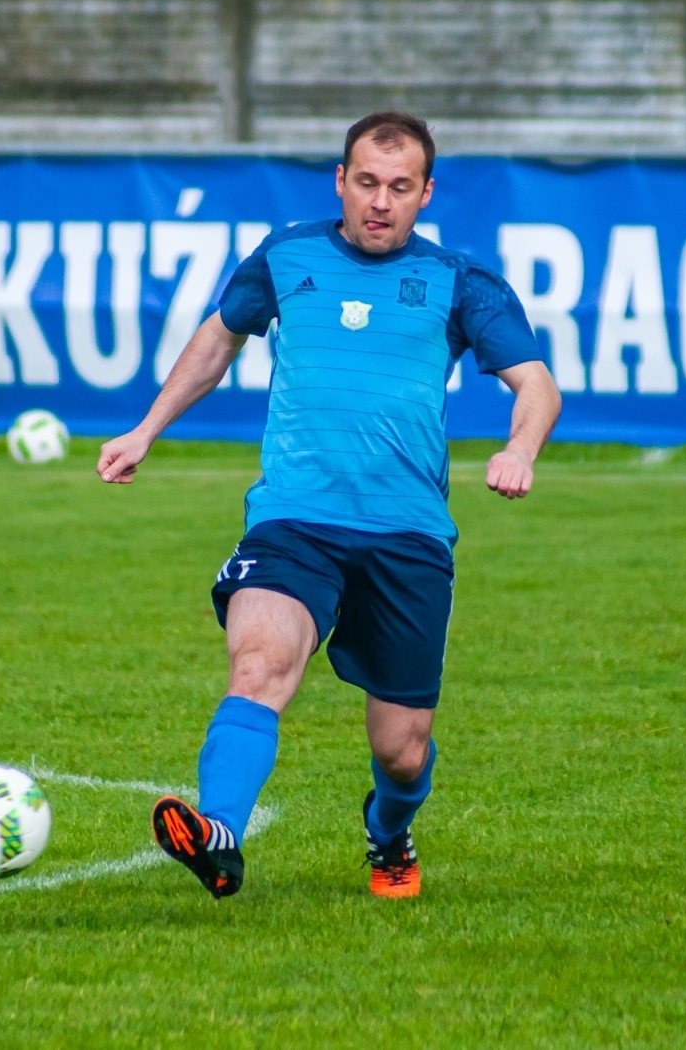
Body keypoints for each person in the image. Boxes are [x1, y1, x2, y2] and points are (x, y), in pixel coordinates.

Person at [98, 111, 562, 901]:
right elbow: (217, 339)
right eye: (368, 183)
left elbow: (536, 383)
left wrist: (519, 449)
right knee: (259, 666)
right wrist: (147, 428)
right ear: (341, 182)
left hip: (407, 537)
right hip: (293, 522)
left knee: (403, 753)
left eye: (400, 188)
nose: (381, 202)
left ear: (425, 194)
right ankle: (219, 834)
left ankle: (389, 832)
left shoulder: (460, 281)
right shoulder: (286, 256)